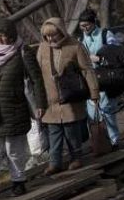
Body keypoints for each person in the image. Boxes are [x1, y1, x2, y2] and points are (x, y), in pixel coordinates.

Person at [0, 19, 46, 199]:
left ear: (11, 35)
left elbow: (37, 80)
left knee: (14, 149)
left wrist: (41, 104)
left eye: (3, 35)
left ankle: (18, 182)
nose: (0, 39)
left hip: (15, 108)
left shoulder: (22, 52)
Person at [37, 18, 99, 175]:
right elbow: (37, 74)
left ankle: (76, 157)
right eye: (47, 36)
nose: (51, 39)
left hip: (71, 95)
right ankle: (54, 162)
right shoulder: (43, 48)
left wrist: (94, 92)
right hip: (50, 98)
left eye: (54, 35)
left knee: (72, 130)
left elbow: (87, 70)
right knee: (54, 132)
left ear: (61, 32)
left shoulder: (75, 46)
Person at [79, 9, 122, 150]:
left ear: (93, 23)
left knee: (106, 110)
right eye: (82, 26)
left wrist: (99, 59)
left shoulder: (105, 34)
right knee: (92, 113)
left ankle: (114, 140)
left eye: (87, 25)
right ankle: (99, 140)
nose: (85, 29)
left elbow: (117, 53)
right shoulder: (80, 40)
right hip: (89, 78)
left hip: (105, 77)